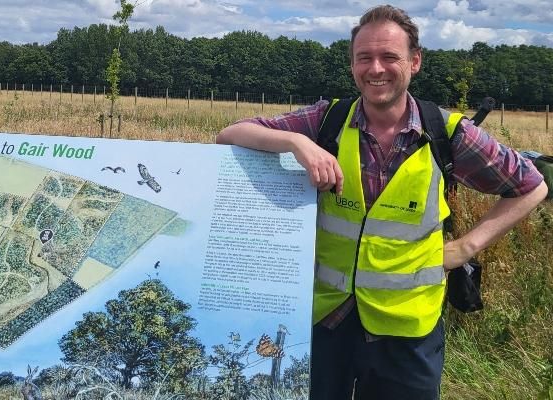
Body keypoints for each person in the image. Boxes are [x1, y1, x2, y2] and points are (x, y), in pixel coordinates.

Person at [217, 5, 547, 400]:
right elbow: (229, 134)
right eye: (364, 58)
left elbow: (532, 186)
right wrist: (296, 142)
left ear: (415, 61)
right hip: (327, 321)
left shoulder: (447, 133)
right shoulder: (328, 122)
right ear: (353, 64)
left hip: (408, 330)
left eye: (390, 57)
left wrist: (465, 248)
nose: (376, 68)